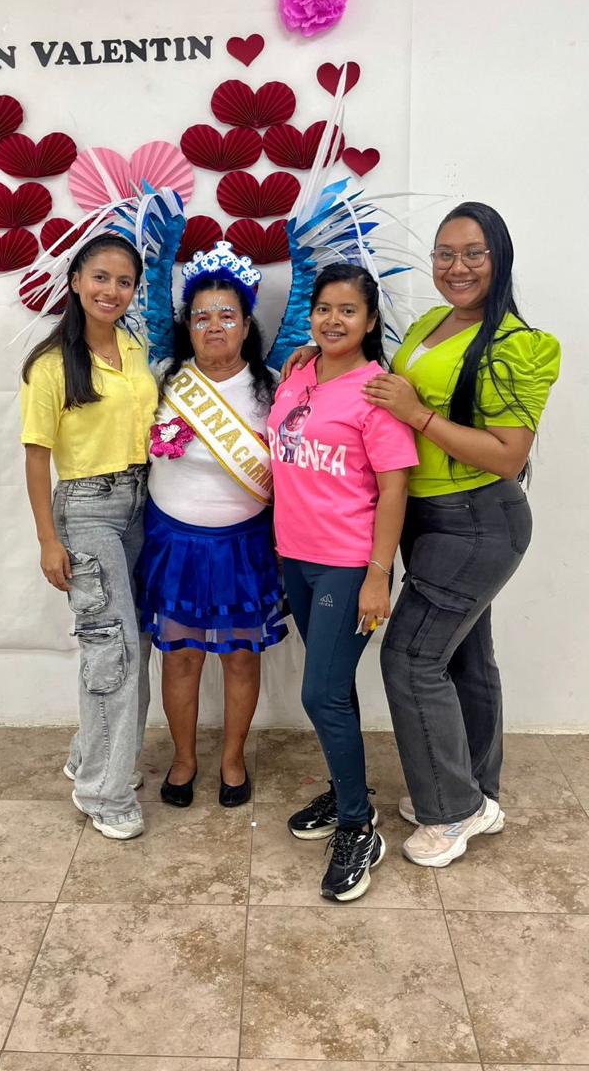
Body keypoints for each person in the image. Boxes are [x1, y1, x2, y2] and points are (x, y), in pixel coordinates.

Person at [362, 202, 560, 867]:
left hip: (477, 520)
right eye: (445, 253)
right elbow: (389, 387)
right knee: (465, 659)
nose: (457, 267)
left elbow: (508, 455)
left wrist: (417, 415)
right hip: (429, 519)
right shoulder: (431, 323)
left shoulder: (518, 344)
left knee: (410, 658)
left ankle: (452, 811)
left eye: (474, 253)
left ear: (499, 258)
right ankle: (475, 792)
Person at [268, 263, 419, 902]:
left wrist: (378, 575)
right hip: (295, 557)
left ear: (370, 319)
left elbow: (394, 489)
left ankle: (359, 826)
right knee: (334, 689)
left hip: (350, 564)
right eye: (324, 308)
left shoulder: (377, 391)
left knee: (320, 693)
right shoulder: (298, 374)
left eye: (348, 310)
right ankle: (346, 790)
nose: (333, 320)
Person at [136, 242, 286, 808]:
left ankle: (232, 759)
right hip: (173, 543)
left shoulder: (274, 386)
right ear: (188, 326)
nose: (215, 326)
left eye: (227, 315)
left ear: (246, 324)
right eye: (201, 316)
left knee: (242, 657)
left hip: (243, 547)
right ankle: (183, 759)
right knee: (181, 657)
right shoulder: (162, 379)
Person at [20, 232, 157, 841]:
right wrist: (48, 540)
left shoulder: (134, 348)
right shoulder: (51, 365)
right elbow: (36, 457)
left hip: (141, 504)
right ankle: (104, 791)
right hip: (87, 510)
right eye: (100, 277)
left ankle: (92, 756)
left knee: (127, 643)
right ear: (76, 281)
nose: (112, 290)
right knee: (113, 648)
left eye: (124, 281)